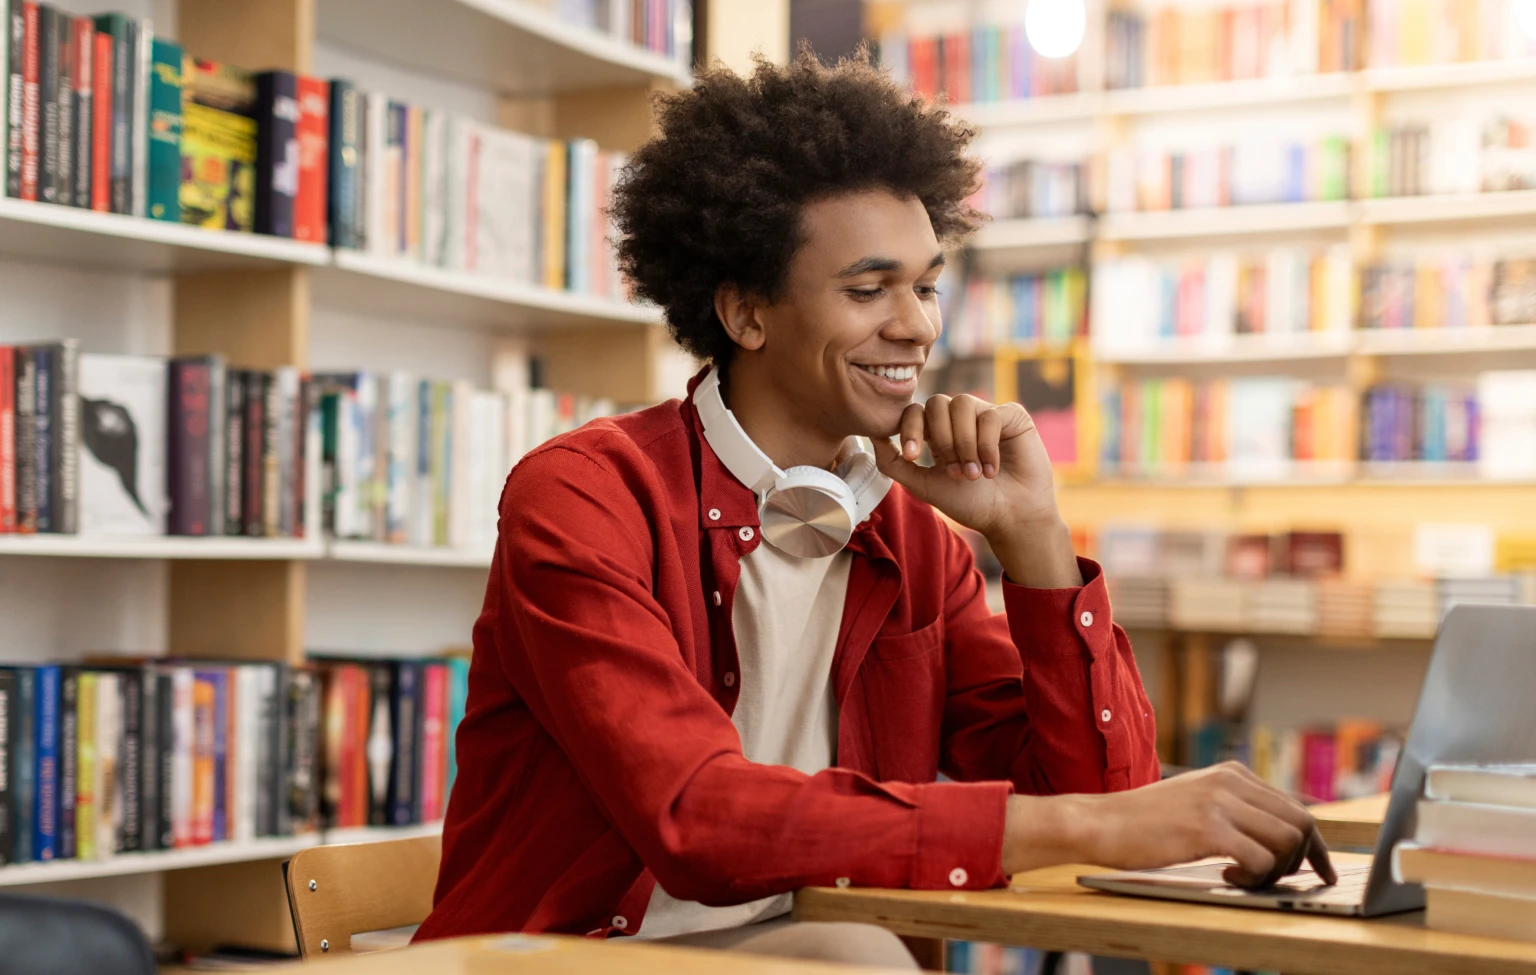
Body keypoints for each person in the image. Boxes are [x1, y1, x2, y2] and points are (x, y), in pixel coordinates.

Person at [415, 50, 1334, 967]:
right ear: (745, 313)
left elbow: (1102, 793)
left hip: (807, 947)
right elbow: (695, 816)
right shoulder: (585, 494)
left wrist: (1035, 541)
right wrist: (1092, 825)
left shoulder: (910, 535)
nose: (920, 326)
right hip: (566, 954)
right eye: (869, 290)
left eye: (927, 285)